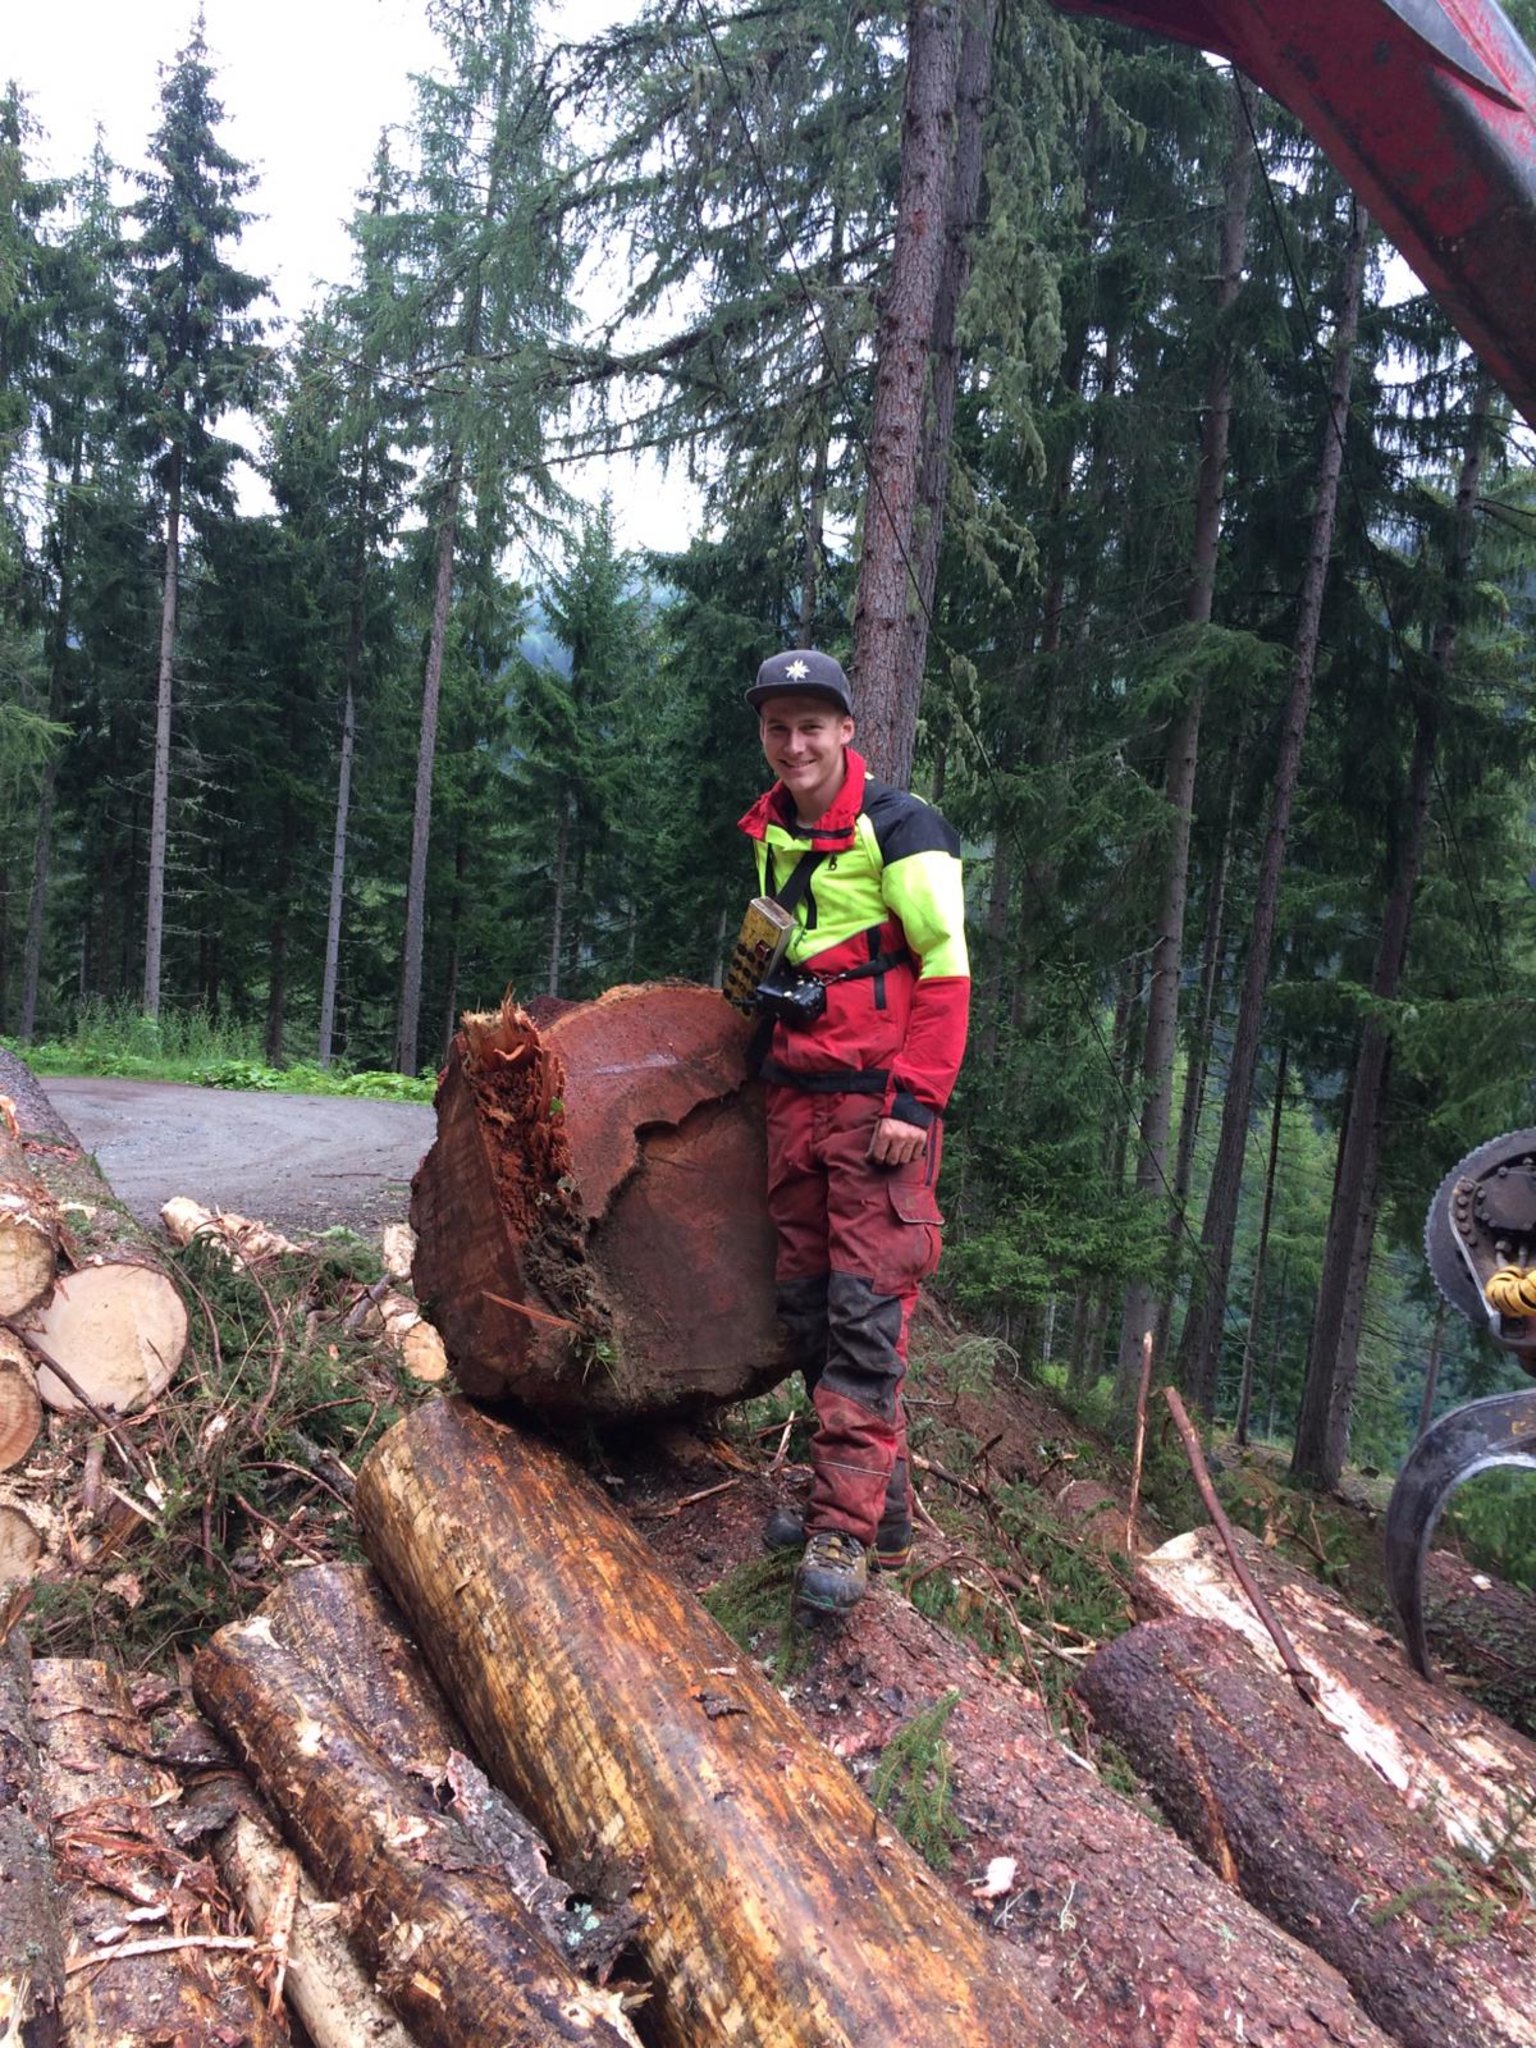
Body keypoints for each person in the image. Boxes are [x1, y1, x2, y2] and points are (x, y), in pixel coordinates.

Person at [738, 648, 969, 1613]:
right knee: (807, 1311)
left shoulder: (904, 829)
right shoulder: (770, 832)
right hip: (795, 1100)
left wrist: (916, 1104)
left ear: (846, 730)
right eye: (778, 727)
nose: (795, 744)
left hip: (879, 1112)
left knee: (868, 1321)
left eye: (812, 727)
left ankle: (842, 1535)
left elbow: (948, 971)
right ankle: (885, 1505)